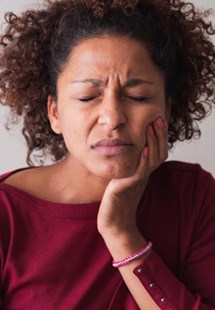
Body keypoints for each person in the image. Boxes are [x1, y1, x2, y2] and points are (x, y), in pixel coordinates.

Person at [0, 0, 215, 308]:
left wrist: (121, 232)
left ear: (166, 108)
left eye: (137, 96)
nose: (112, 118)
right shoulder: (7, 214)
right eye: (88, 97)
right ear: (55, 112)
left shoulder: (192, 196)